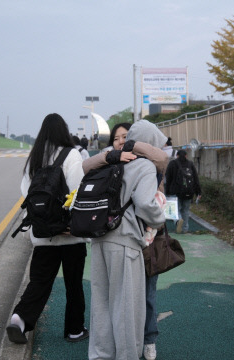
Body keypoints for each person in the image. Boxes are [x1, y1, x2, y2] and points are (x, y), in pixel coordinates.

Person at [83, 120, 169, 360]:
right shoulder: (143, 166)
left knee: (101, 305)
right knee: (128, 309)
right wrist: (160, 217)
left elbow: (84, 168)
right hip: (125, 242)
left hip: (99, 237)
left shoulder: (109, 160)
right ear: (149, 143)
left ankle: (101, 355)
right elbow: (144, 203)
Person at [6, 113, 90, 344]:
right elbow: (77, 190)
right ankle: (74, 330)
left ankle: (19, 319)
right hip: (70, 234)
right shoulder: (72, 154)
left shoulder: (35, 158)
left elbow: (26, 193)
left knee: (40, 282)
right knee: (74, 285)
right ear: (64, 131)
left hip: (43, 233)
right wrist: (74, 222)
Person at [165, 149, 202, 234]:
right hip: (189, 192)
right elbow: (196, 179)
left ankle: (178, 221)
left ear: (177, 155)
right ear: (186, 156)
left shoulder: (172, 164)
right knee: (186, 210)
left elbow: (168, 179)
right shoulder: (190, 164)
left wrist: (167, 192)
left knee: (176, 210)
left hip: (175, 192)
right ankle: (185, 229)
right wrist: (198, 192)